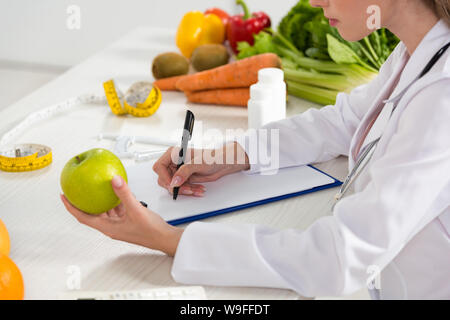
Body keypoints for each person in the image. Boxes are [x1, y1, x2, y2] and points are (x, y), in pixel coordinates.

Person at [61, 0, 450, 299]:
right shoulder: (414, 53)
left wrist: (167, 239)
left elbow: (339, 256)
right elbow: (343, 120)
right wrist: (229, 155)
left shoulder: (441, 96)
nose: (315, 2)